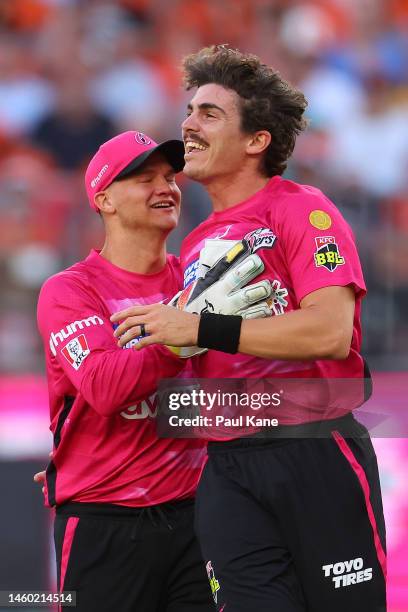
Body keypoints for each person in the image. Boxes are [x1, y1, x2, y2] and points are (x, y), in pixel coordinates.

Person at [112, 46, 387, 612]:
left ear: (257, 140)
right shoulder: (193, 242)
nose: (188, 123)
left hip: (314, 449)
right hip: (227, 462)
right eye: (190, 110)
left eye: (210, 113)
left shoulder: (303, 210)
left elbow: (330, 334)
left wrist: (202, 325)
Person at [36, 131, 214, 612]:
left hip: (199, 516)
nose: (167, 187)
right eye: (144, 177)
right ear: (104, 199)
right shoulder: (69, 290)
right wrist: (182, 337)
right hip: (104, 521)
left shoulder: (197, 277)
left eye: (169, 176)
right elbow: (107, 386)